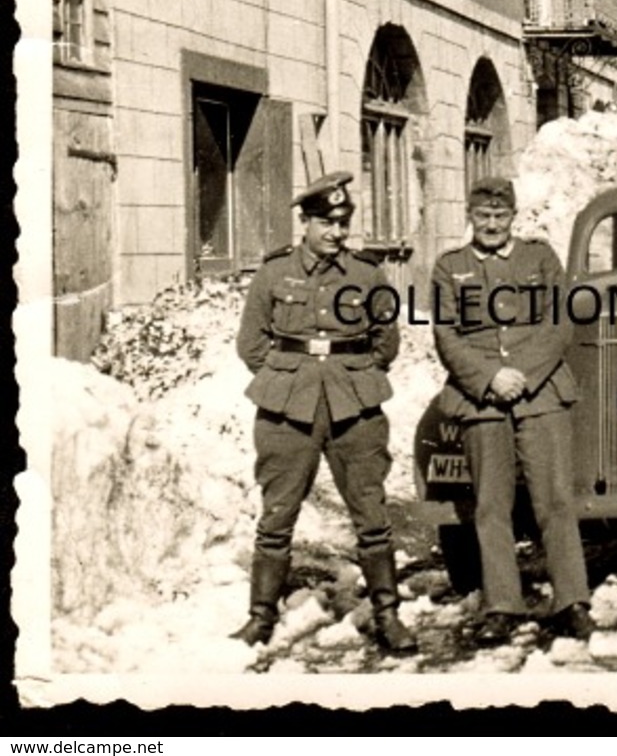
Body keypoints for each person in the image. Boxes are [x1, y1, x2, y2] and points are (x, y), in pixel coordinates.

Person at [233, 171, 416, 654]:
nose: (336, 233)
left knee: (371, 513)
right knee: (277, 516)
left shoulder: (367, 274)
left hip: (354, 407)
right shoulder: (274, 273)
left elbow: (386, 342)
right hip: (286, 409)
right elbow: (250, 343)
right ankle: (260, 618)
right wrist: (286, 377)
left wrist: (352, 375)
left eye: (343, 222)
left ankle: (388, 614)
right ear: (305, 224)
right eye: (326, 223)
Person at [431, 176, 594, 645]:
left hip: (539, 394)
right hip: (481, 400)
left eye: (500, 217)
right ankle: (502, 603)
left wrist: (521, 372)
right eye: (483, 217)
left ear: (513, 217)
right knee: (490, 506)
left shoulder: (539, 258)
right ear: (470, 216)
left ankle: (572, 600)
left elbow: (559, 322)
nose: (492, 225)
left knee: (556, 502)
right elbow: (446, 335)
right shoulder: (450, 267)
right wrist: (489, 379)